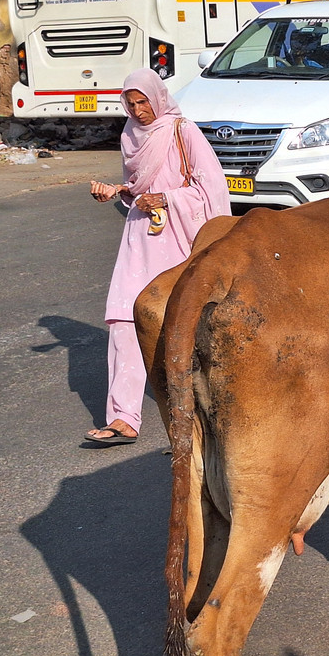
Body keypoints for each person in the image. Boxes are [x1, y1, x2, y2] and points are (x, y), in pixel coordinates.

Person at [84, 69, 231, 444]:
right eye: (131, 104)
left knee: (187, 321)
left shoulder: (183, 131)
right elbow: (137, 188)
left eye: (143, 102)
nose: (138, 110)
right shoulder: (129, 135)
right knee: (123, 318)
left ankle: (201, 423)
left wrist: (166, 198)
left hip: (180, 236)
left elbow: (212, 187)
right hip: (141, 234)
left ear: (158, 98)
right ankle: (123, 418)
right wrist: (118, 191)